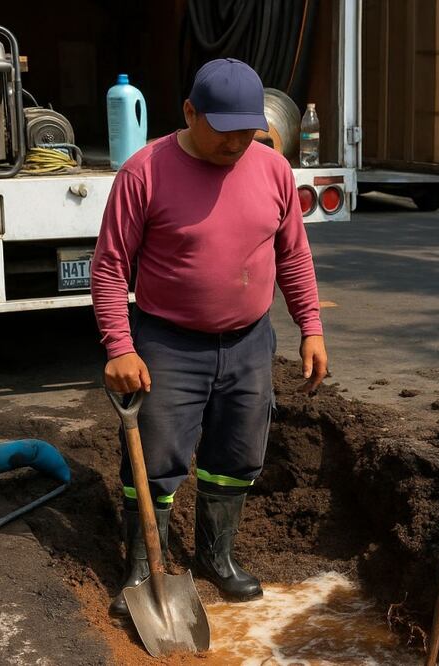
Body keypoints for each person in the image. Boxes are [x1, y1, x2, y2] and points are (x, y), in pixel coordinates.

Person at [91, 58, 328, 616]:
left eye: (249, 131)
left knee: (237, 455)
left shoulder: (271, 169)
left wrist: (311, 328)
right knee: (156, 458)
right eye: (225, 132)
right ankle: (143, 567)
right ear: (190, 113)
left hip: (249, 342)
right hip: (169, 343)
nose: (238, 144)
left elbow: (293, 255)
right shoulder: (144, 173)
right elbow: (109, 267)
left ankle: (216, 559)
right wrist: (120, 347)